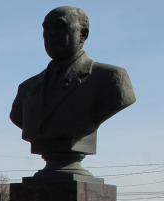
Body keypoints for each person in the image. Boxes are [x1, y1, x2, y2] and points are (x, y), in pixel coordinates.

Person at [9, 7, 135, 159]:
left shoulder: (111, 78)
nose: (51, 33)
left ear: (83, 34)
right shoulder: (26, 89)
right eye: (46, 28)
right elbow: (18, 117)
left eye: (59, 26)